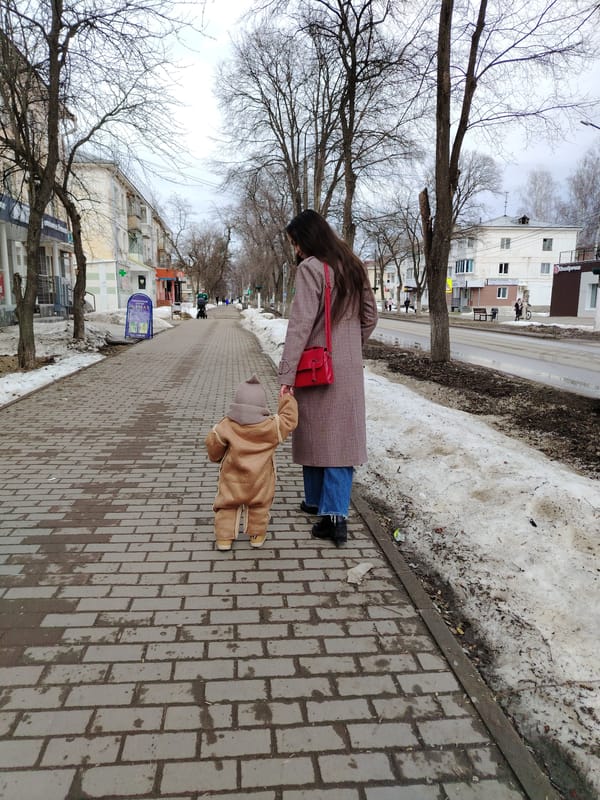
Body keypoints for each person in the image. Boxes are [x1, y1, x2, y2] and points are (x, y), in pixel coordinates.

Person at [278, 209, 378, 547]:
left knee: (315, 432)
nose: (296, 250)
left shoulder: (311, 269)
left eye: (295, 243)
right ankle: (326, 508)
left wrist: (287, 373)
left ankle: (325, 510)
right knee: (341, 438)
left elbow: (300, 325)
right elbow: (369, 317)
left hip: (314, 365)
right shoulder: (353, 265)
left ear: (306, 240)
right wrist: (350, 345)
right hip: (347, 368)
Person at [205, 375, 298, 551]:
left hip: (232, 477)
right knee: (259, 505)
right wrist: (287, 398)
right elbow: (289, 420)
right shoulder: (272, 427)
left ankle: (224, 539)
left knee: (227, 505)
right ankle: (256, 536)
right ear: (261, 405)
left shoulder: (226, 425)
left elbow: (213, 443)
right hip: (261, 480)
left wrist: (215, 457)